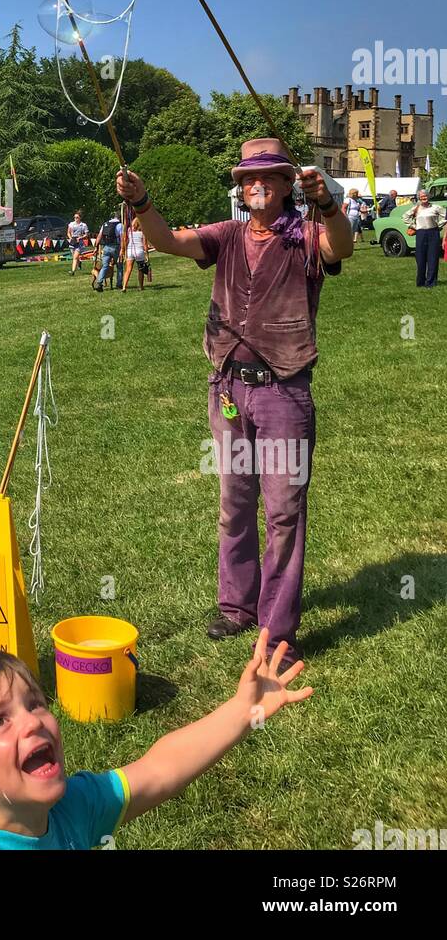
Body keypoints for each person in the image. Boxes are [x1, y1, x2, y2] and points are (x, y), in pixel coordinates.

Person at [118, 138, 354, 669]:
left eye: (269, 177)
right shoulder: (225, 236)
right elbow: (168, 241)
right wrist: (142, 202)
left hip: (284, 392)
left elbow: (341, 248)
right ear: (241, 186)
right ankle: (237, 607)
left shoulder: (305, 236)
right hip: (228, 388)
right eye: (249, 177)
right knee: (234, 504)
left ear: (288, 184)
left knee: (285, 512)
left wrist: (330, 204)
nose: (257, 185)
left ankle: (276, 629)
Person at [0, 639, 311, 850]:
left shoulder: (73, 808)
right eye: (1, 720)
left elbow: (160, 769)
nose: (33, 720)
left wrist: (243, 712)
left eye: (34, 703)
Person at [404, 189, 446, 287]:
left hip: (433, 232)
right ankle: (420, 282)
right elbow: (405, 217)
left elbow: (445, 216)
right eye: (421, 196)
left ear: (428, 196)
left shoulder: (436, 207)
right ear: (419, 197)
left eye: (425, 196)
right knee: (420, 258)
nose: (424, 198)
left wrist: (438, 225)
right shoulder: (416, 208)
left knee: (433, 258)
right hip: (421, 233)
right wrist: (414, 226)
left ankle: (431, 282)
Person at [92, 213, 121, 292]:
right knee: (119, 265)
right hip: (116, 247)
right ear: (120, 218)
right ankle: (119, 284)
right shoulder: (120, 225)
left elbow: (99, 236)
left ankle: (99, 283)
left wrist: (96, 247)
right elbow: (123, 237)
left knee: (105, 266)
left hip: (106, 247)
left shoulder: (105, 224)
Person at [121, 216, 150, 292]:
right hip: (139, 251)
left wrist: (124, 250)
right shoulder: (143, 231)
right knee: (140, 270)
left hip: (130, 250)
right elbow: (145, 244)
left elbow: (126, 240)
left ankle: (124, 287)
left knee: (128, 270)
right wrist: (147, 255)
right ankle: (141, 287)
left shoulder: (129, 230)